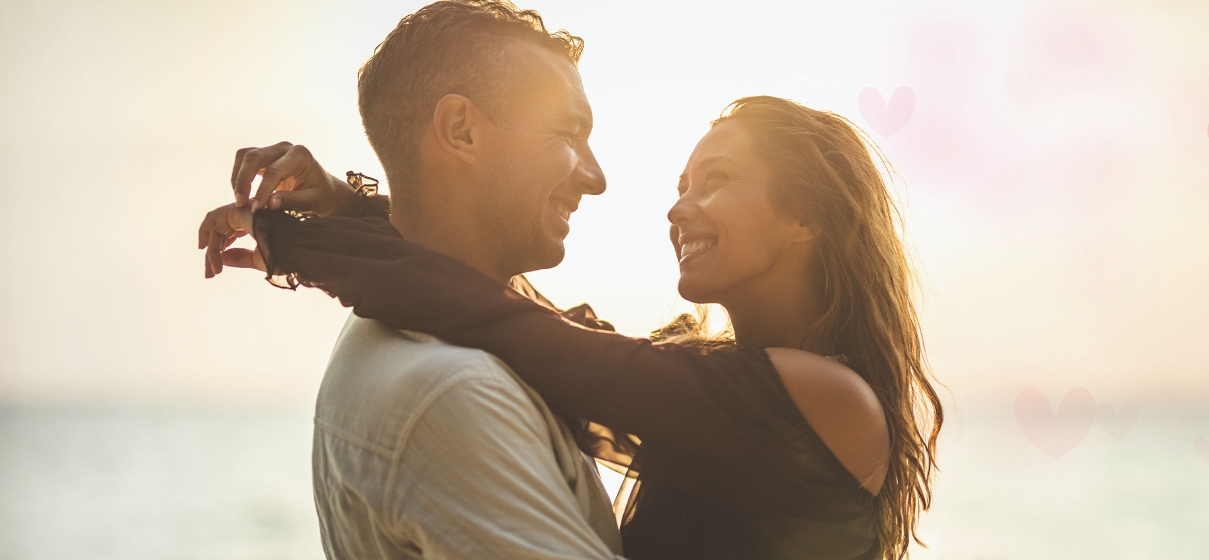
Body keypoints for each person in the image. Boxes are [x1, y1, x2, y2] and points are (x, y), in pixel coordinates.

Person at [201, 25, 941, 555]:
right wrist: (343, 203)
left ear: (806, 216)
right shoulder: (708, 374)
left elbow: (511, 325)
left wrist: (296, 240)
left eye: (716, 183)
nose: (678, 207)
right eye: (681, 184)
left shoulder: (835, 405)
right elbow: (520, 319)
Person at [198, 1, 623, 558]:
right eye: (568, 134)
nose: (596, 179)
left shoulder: (431, 324)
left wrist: (350, 208)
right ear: (461, 131)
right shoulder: (457, 396)